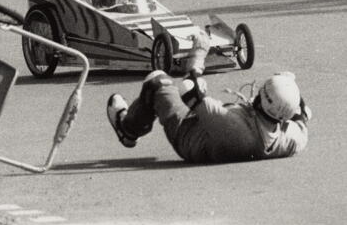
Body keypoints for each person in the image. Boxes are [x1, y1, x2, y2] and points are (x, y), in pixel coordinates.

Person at [107, 32, 311, 163]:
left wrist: (198, 55)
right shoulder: (289, 138)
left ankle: (128, 130)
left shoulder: (230, 123)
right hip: (222, 139)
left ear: (261, 99)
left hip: (188, 136)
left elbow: (188, 91)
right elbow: (302, 119)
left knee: (157, 81)